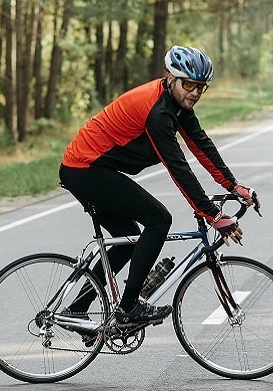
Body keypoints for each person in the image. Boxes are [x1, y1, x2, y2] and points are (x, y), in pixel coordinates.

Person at [59, 45, 258, 325]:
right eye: (189, 84)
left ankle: (77, 309)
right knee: (159, 219)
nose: (195, 93)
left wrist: (233, 186)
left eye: (201, 87)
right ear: (171, 77)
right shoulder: (159, 113)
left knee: (129, 239)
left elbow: (200, 144)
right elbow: (177, 166)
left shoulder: (176, 104)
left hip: (92, 167)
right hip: (84, 168)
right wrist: (212, 214)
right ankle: (128, 309)